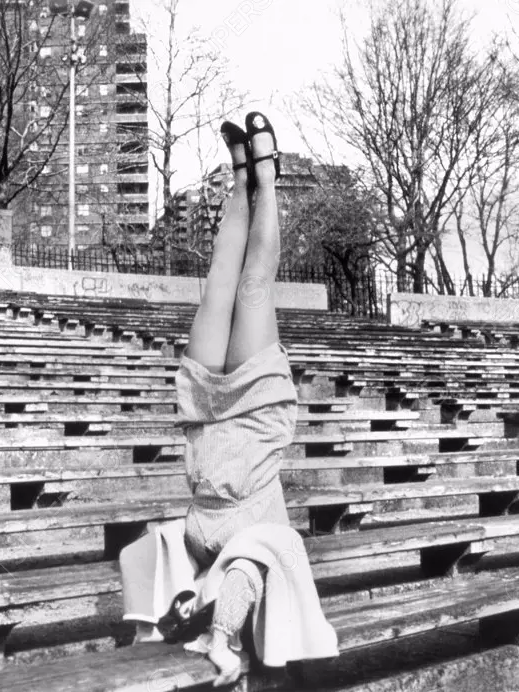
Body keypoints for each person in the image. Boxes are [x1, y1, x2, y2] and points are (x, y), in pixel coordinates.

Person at [119, 112, 338, 685]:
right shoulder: (256, 547)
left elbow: (152, 561)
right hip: (256, 417)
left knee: (219, 280)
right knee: (252, 286)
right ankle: (266, 175)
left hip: (205, 415)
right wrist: (222, 640)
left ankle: (240, 181)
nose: (191, 602)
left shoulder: (194, 546)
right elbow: (244, 572)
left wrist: (178, 618)